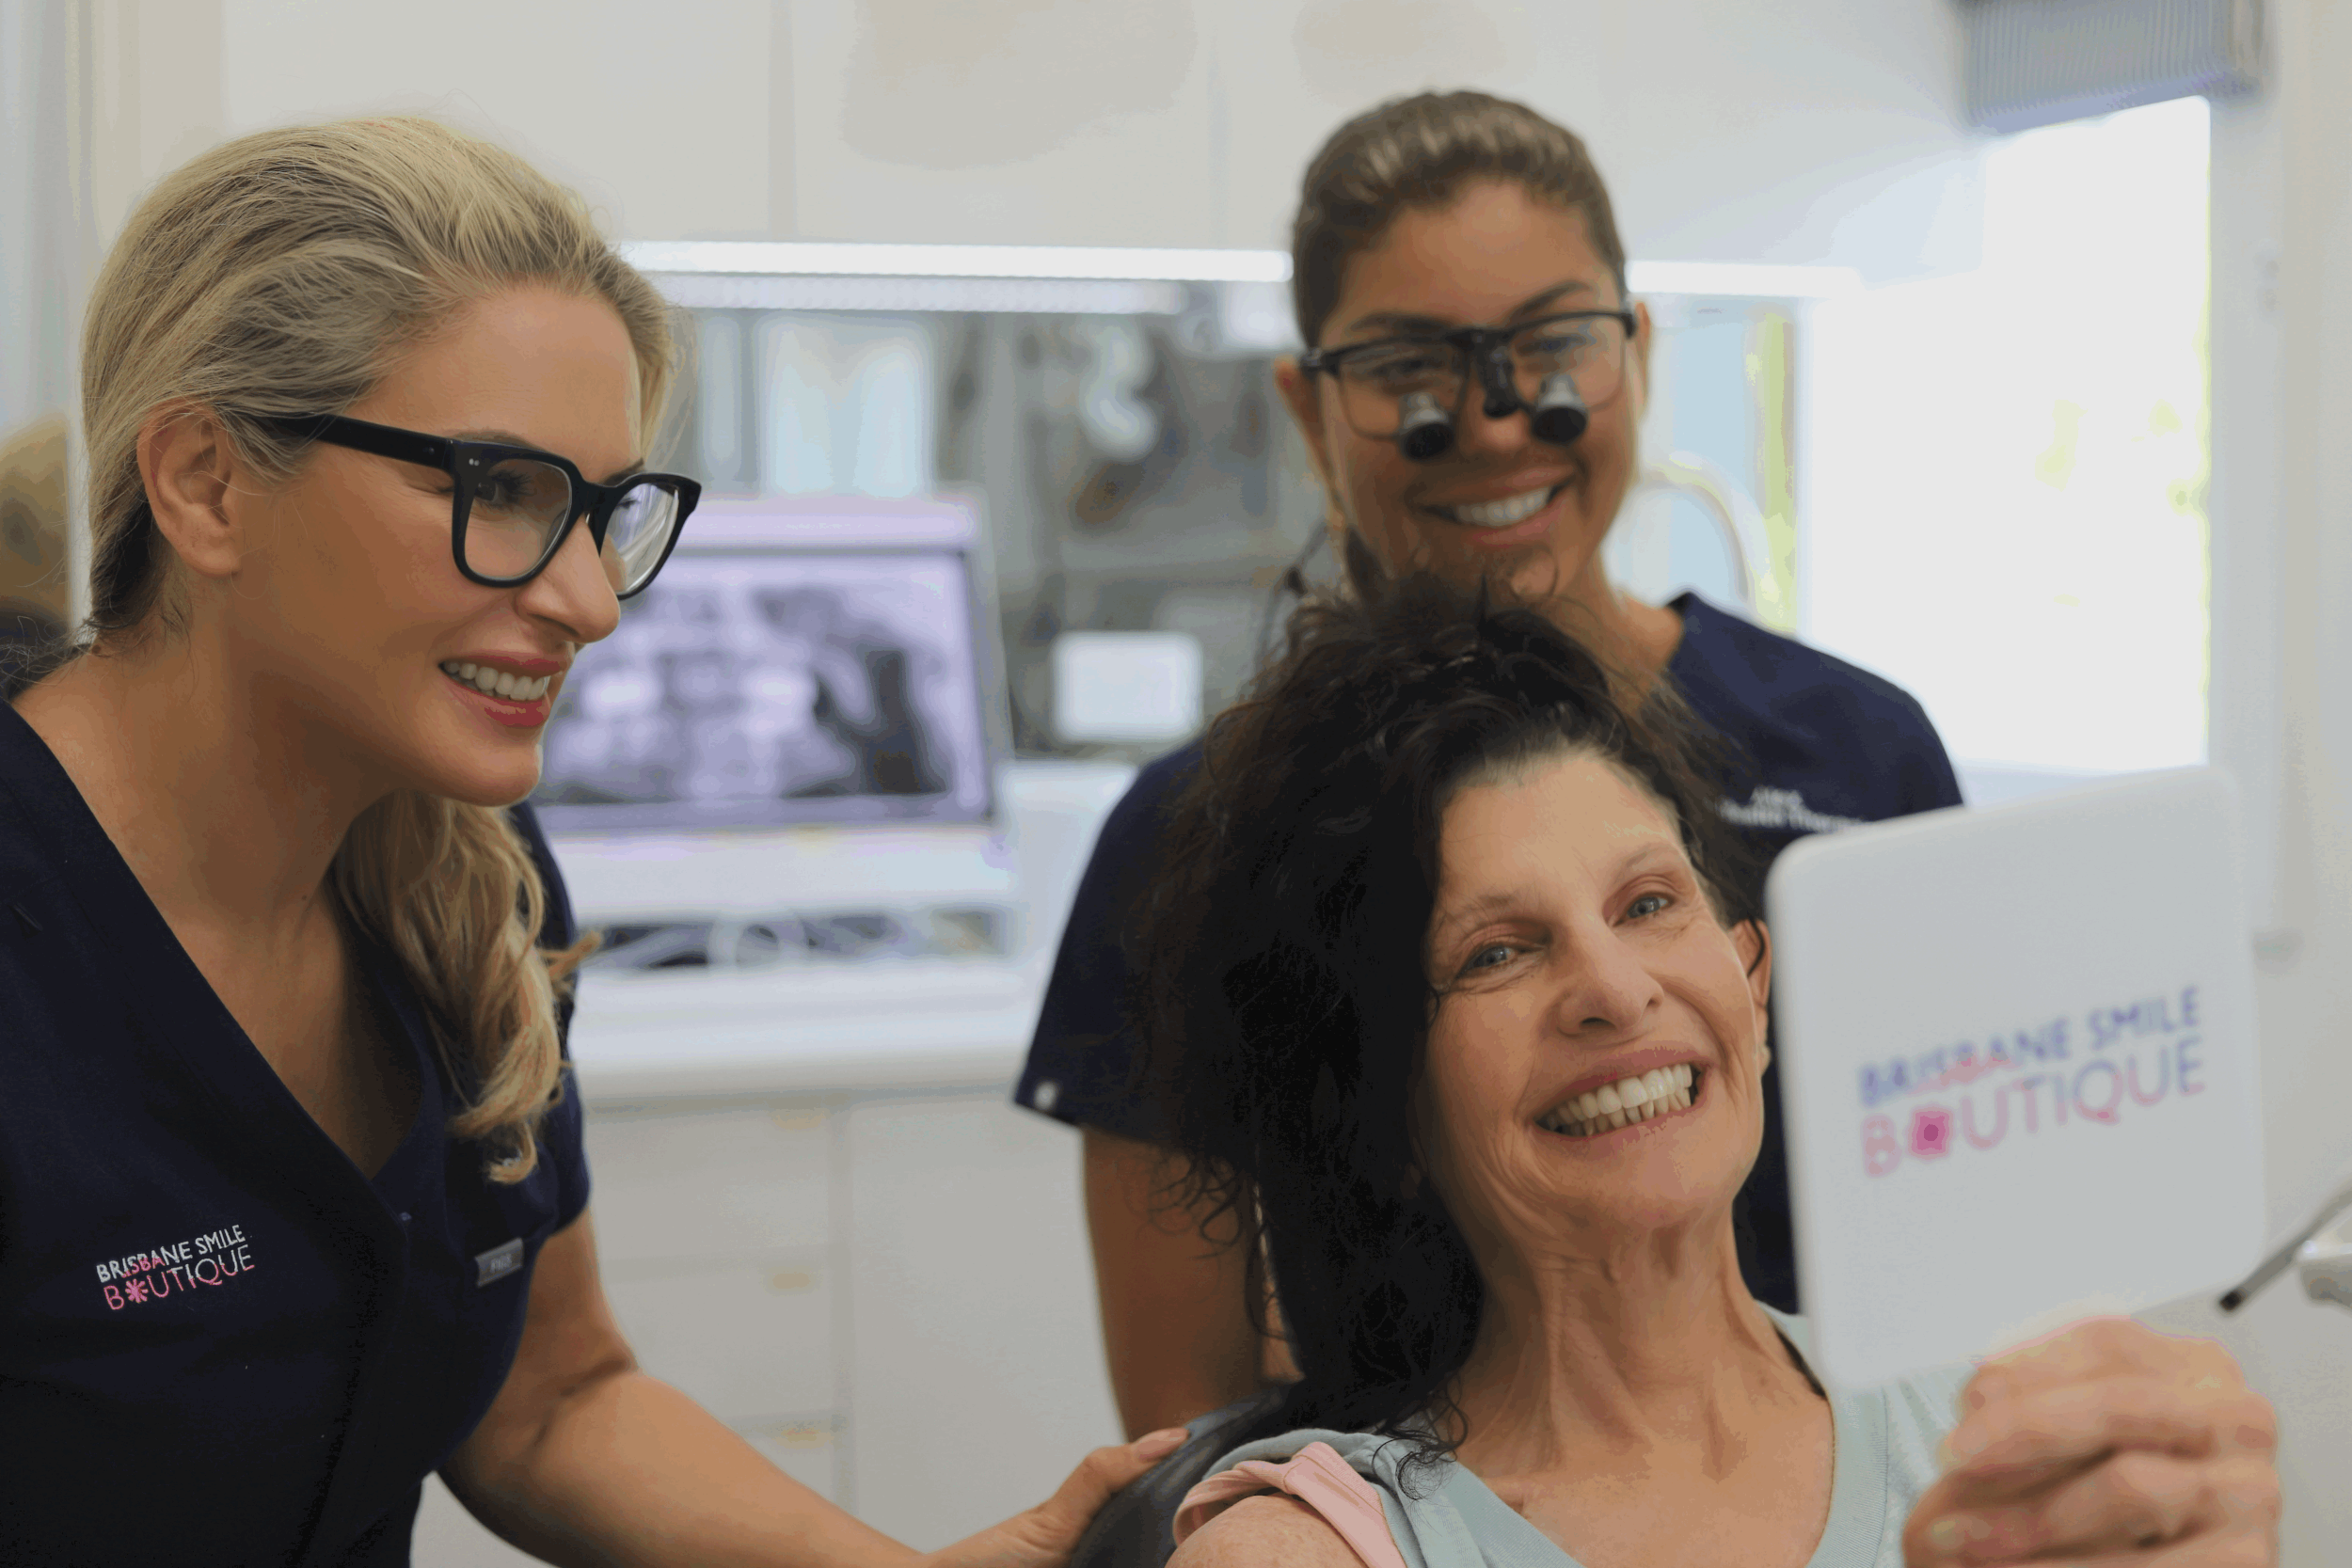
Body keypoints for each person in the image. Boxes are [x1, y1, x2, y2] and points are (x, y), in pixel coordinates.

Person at [0, 117, 1186, 1565]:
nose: (590, 602)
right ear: (205, 482)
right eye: (497, 490)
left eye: (606, 513)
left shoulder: (469, 877)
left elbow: (549, 1399)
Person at [1012, 89, 1965, 1439]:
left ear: (1633, 350)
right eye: (1410, 368)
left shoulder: (1859, 753)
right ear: (1308, 403)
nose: (1494, 421)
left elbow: (1959, 1253)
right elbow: (1184, 1415)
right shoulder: (1197, 832)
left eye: (1552, 344)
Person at [1145, 578, 2278, 1568]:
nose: (1614, 986)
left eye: (1647, 902)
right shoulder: (1311, 1544)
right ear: (1380, 1112)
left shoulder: (2003, 1439)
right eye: (1496, 950)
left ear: (1754, 984)